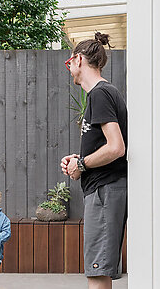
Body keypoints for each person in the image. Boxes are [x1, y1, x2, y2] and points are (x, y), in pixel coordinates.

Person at [61, 32, 127, 289]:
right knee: (100, 271)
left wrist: (82, 164)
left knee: (97, 273)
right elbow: (107, 146)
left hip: (105, 191)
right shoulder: (104, 93)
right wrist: (79, 160)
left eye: (69, 63)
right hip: (103, 190)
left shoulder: (100, 93)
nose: (70, 70)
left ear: (78, 60)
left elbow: (116, 147)